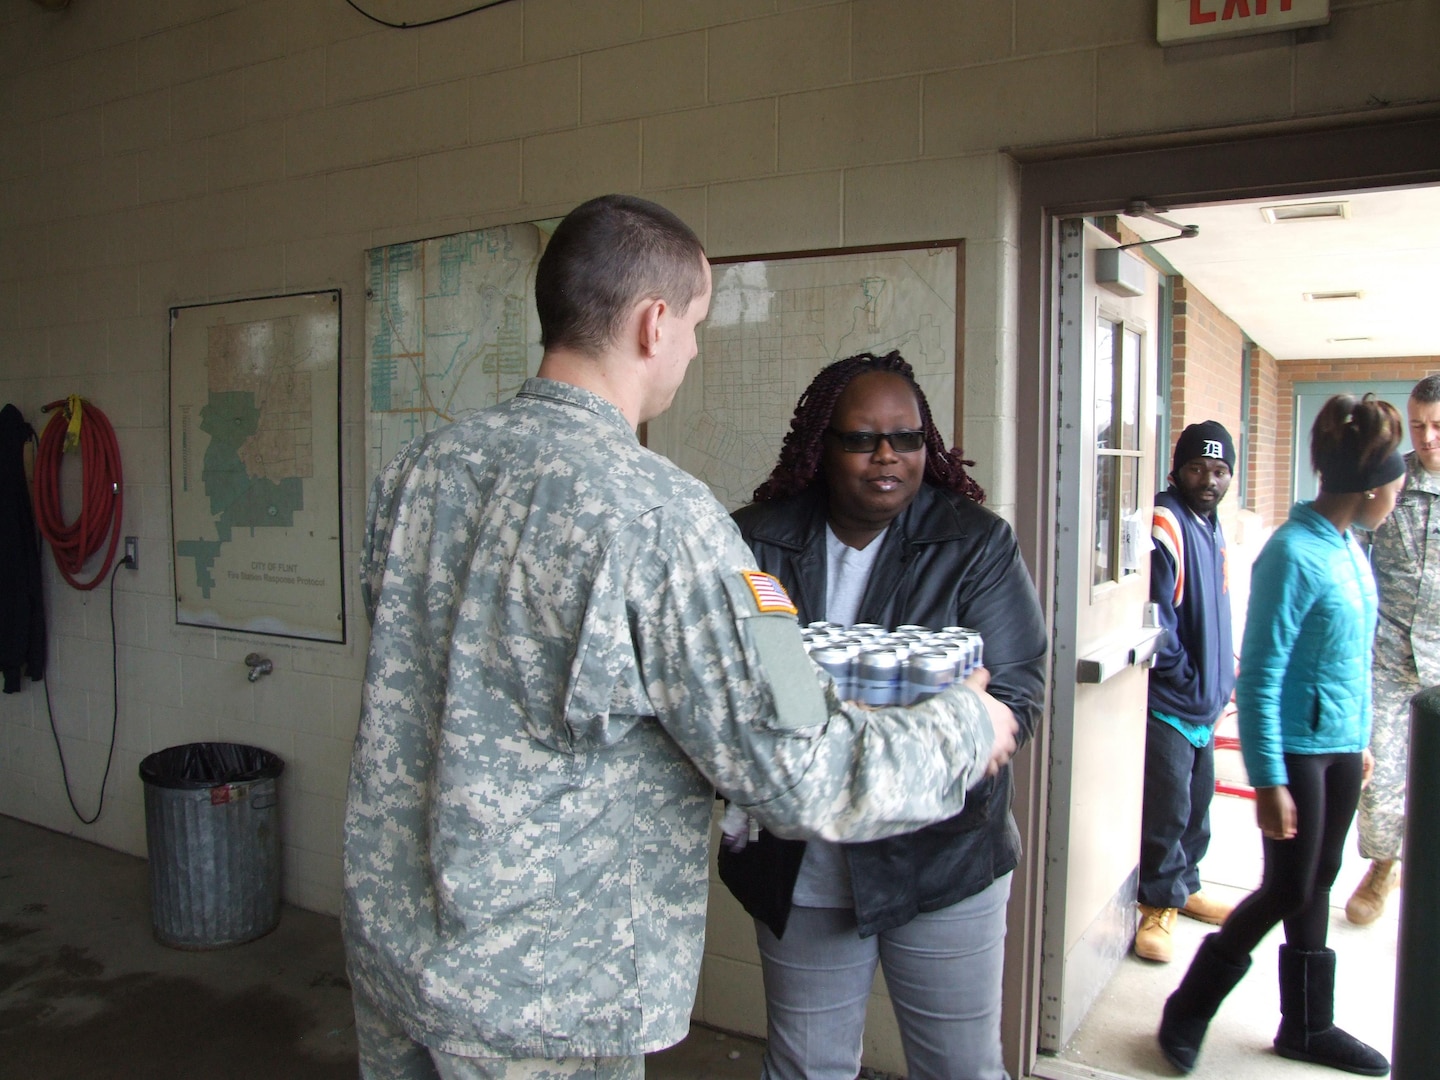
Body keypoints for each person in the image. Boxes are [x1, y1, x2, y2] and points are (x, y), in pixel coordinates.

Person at [342, 196, 1021, 1080]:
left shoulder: (417, 474)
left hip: (399, 964)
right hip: (543, 1005)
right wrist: (966, 728)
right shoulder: (669, 519)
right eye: (697, 324)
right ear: (654, 323)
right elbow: (794, 761)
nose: (696, 351)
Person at [716, 351, 1048, 1080]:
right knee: (808, 1066)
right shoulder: (758, 542)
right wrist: (931, 717)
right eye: (862, 439)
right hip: (803, 859)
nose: (889, 456)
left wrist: (848, 723)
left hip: (942, 856)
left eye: (908, 438)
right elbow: (759, 701)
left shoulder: (974, 542)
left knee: (961, 1067)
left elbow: (1014, 694)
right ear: (819, 447)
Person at [1157, 393, 1404, 1077]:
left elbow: (1349, 659)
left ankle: (1307, 1025)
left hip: (1340, 749)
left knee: (1318, 881)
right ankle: (1189, 1006)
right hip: (1294, 751)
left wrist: (1359, 743)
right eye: (1398, 475)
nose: (1402, 487)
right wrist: (1267, 779)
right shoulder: (1293, 554)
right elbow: (1261, 675)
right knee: (1286, 889)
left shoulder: (1350, 549)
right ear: (1373, 483)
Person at [1134, 422, 1239, 963]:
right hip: (1173, 701)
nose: (1209, 480)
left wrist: (1223, 680)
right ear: (1177, 470)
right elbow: (1158, 618)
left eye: (1220, 471)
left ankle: (1187, 885)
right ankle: (1157, 903)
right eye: (1198, 468)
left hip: (1207, 701)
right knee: (1168, 806)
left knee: (1198, 807)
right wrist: (1187, 678)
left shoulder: (1213, 523)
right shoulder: (1166, 520)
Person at [1346, 373, 1440, 925]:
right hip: (1387, 663)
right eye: (1420, 425)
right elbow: (1352, 551)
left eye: (1438, 426)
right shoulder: (1391, 480)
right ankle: (1385, 864)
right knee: (1376, 783)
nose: (1427, 438)